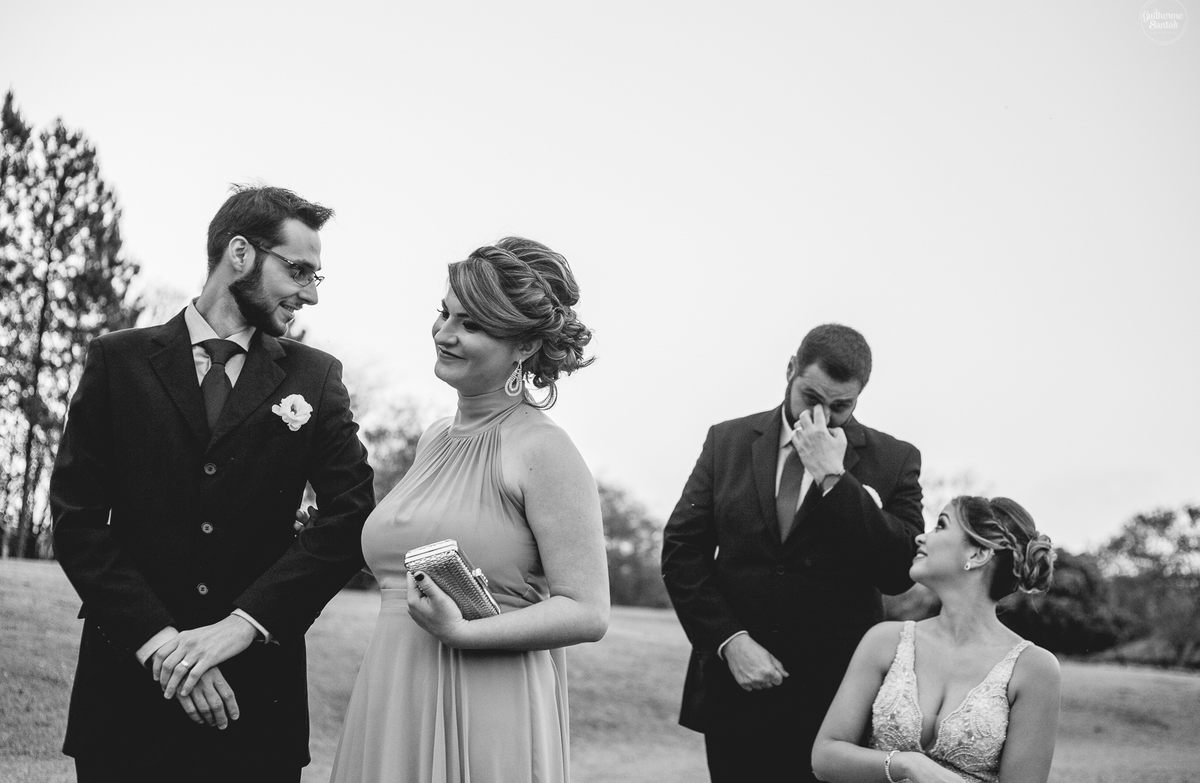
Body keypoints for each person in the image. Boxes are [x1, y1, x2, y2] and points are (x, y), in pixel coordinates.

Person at [50, 186, 376, 783]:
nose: (309, 293)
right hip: (125, 693)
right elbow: (76, 520)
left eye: (316, 277)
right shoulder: (116, 363)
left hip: (255, 702)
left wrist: (239, 629)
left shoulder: (316, 377)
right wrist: (162, 646)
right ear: (241, 254)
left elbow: (352, 515)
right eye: (298, 270)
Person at [328, 237, 609, 783]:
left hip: (486, 697)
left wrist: (464, 635)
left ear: (524, 345)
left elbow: (588, 610)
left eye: (472, 325)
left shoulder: (542, 449)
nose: (445, 334)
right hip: (395, 683)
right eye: (445, 313)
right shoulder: (435, 437)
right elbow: (429, 566)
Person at [662, 323, 925, 783]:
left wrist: (835, 480)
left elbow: (898, 573)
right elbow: (682, 550)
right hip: (735, 690)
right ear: (790, 371)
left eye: (841, 405)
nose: (822, 416)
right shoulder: (727, 442)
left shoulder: (895, 459)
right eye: (811, 397)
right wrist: (729, 641)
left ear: (861, 394)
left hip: (836, 703)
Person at [811, 496, 1061, 783]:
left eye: (940, 526)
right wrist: (908, 765)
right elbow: (825, 756)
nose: (920, 537)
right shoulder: (885, 641)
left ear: (978, 554)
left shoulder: (1033, 668)